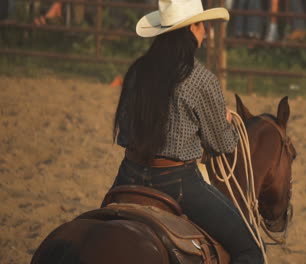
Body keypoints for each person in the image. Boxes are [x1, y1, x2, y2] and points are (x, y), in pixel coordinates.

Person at [108, 0, 264, 263]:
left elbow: (124, 135)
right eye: (202, 25)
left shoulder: (137, 71)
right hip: (178, 182)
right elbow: (222, 145)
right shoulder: (200, 79)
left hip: (128, 175)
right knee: (250, 250)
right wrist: (224, 122)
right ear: (192, 28)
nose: (205, 31)